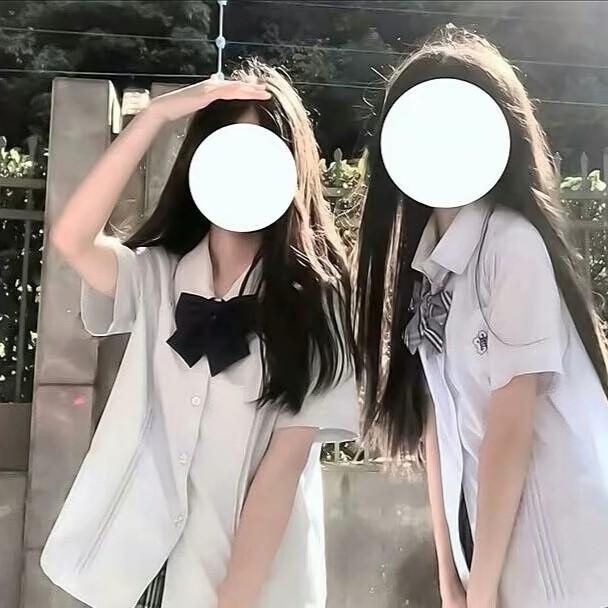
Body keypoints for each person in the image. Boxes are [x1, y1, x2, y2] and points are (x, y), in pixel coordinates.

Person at [41, 60, 359, 608]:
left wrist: (234, 597)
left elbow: (284, 468)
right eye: (226, 152)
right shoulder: (156, 276)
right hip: (144, 576)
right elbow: (72, 238)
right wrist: (156, 116)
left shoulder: (319, 303)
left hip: (254, 585)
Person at [355, 27, 608, 608]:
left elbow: (509, 428)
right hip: (497, 549)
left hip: (566, 546)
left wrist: (481, 587)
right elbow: (438, 430)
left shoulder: (511, 246)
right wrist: (451, 576)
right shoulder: (428, 266)